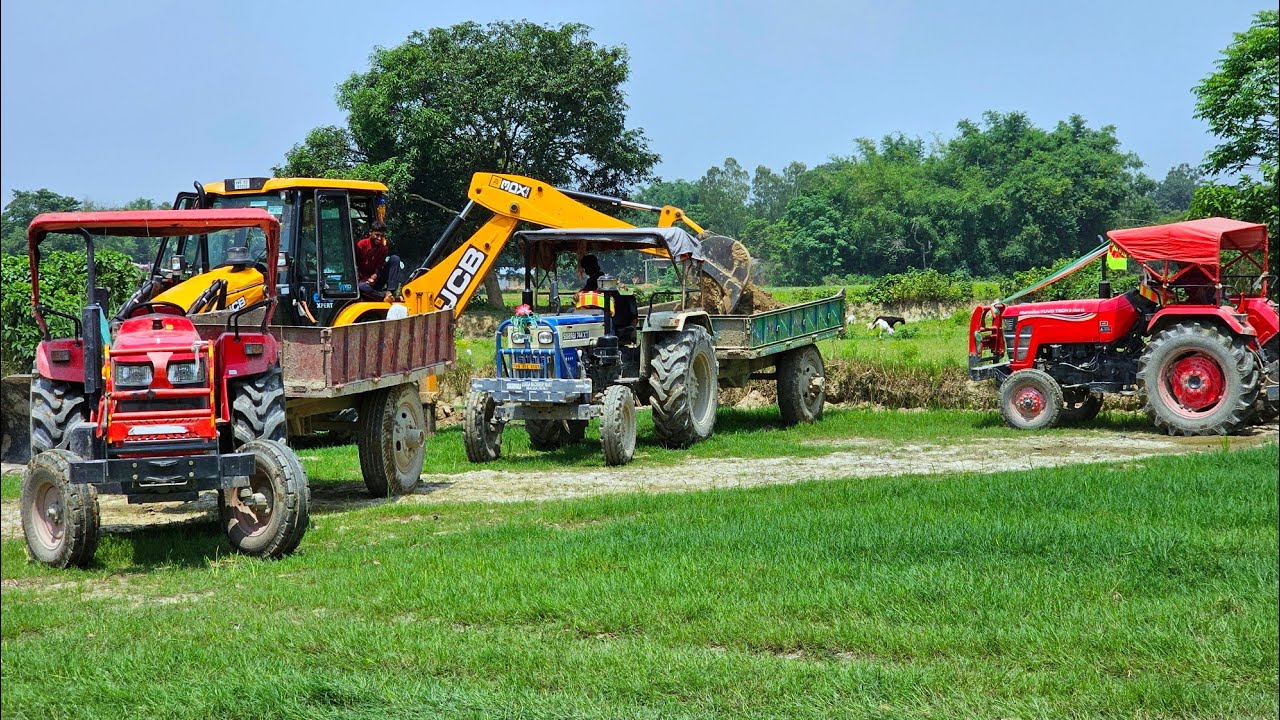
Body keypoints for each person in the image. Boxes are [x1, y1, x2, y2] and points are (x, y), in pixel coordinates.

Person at [356, 221, 400, 302]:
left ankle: (390, 292)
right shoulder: (361, 245)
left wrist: (374, 277)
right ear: (370, 232)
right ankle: (383, 296)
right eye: (377, 235)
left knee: (395, 259)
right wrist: (367, 280)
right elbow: (356, 266)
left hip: (376, 281)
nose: (379, 238)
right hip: (363, 282)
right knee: (361, 287)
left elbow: (379, 267)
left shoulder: (384, 249)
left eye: (382, 236)